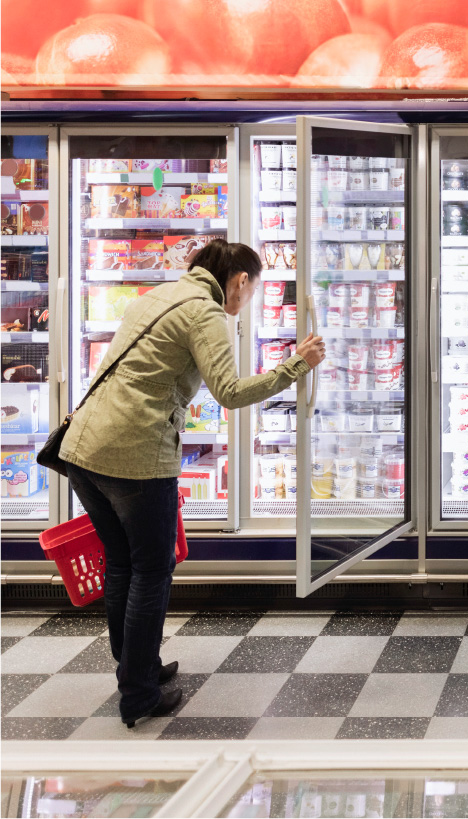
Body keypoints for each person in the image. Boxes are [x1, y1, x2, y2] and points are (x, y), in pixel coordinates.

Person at [60, 240, 325, 728]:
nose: (245, 301)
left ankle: (136, 668)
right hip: (136, 457)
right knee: (152, 571)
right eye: (250, 290)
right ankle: (139, 695)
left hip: (83, 451)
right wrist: (297, 365)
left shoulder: (155, 296)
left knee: (121, 565)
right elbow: (230, 392)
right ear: (239, 281)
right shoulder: (205, 313)